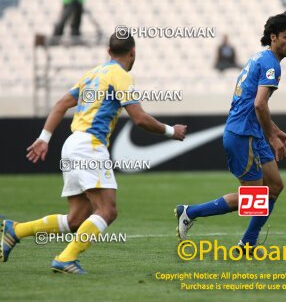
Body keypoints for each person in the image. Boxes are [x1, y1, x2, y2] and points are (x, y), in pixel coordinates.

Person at [0, 33, 187, 274]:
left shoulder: (91, 74)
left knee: (76, 219)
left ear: (108, 51)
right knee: (107, 210)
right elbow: (139, 118)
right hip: (89, 146)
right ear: (133, 53)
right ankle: (66, 257)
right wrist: (172, 131)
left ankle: (16, 230)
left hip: (72, 144)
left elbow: (60, 104)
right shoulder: (121, 76)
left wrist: (44, 138)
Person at [175, 11, 286, 253]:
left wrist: (275, 131)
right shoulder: (271, 64)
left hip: (251, 132)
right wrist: (272, 136)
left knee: (274, 187)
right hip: (244, 135)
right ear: (273, 37)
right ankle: (189, 212)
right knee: (255, 201)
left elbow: (254, 105)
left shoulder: (260, 58)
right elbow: (259, 104)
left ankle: (248, 243)